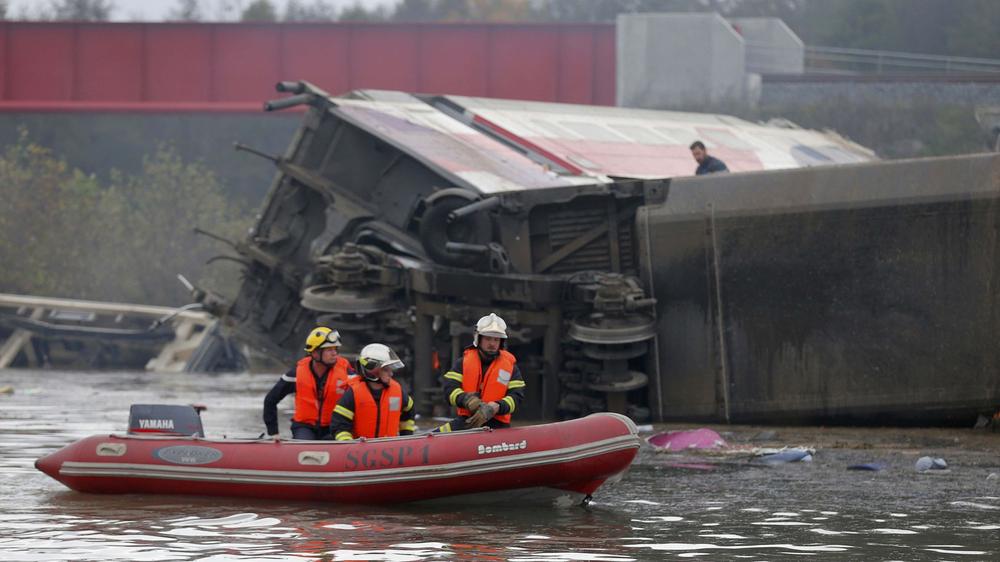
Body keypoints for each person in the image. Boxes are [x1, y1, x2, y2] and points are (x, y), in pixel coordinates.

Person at [435, 313, 526, 433]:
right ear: (479, 339)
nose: (492, 344)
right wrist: (466, 400)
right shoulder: (463, 363)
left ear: (501, 342)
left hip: (498, 427)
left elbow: (517, 396)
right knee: (434, 436)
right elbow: (449, 389)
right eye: (488, 338)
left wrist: (497, 406)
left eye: (496, 339)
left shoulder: (510, 367)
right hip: (467, 422)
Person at [263, 327, 356, 440]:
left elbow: (361, 395)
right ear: (315, 353)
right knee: (304, 442)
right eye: (329, 350)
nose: (334, 353)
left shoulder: (346, 372)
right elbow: (270, 400)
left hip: (334, 427)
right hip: (305, 427)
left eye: (335, 349)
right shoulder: (297, 374)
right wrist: (274, 433)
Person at [331, 343, 416, 440]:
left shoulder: (397, 391)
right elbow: (339, 425)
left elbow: (409, 410)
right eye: (386, 370)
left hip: (390, 450)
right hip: (361, 451)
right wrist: (348, 443)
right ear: (372, 371)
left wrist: (406, 436)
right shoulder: (353, 393)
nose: (391, 373)